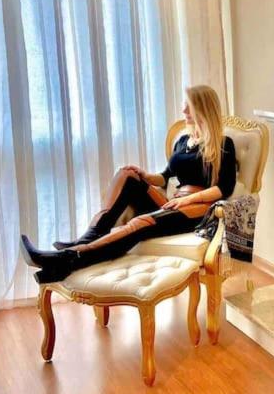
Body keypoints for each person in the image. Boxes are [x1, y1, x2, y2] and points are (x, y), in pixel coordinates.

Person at [21, 85, 236, 283]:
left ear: (202, 108)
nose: (183, 109)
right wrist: (145, 175)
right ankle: (86, 239)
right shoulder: (182, 141)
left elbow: (224, 188)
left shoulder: (223, 144)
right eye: (184, 104)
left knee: (139, 223)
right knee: (127, 175)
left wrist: (187, 200)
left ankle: (66, 259)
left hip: (196, 210)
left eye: (189, 105)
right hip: (173, 203)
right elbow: (165, 176)